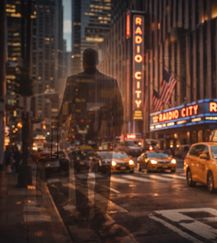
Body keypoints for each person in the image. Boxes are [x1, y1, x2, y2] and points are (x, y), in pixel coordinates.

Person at [59, 48, 123, 233]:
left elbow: (65, 109)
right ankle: (100, 214)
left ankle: (83, 212)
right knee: (103, 177)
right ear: (98, 61)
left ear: (83, 61)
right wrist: (114, 135)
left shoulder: (74, 81)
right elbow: (119, 112)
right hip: (103, 139)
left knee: (80, 177)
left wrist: (59, 131)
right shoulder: (111, 82)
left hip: (80, 137)